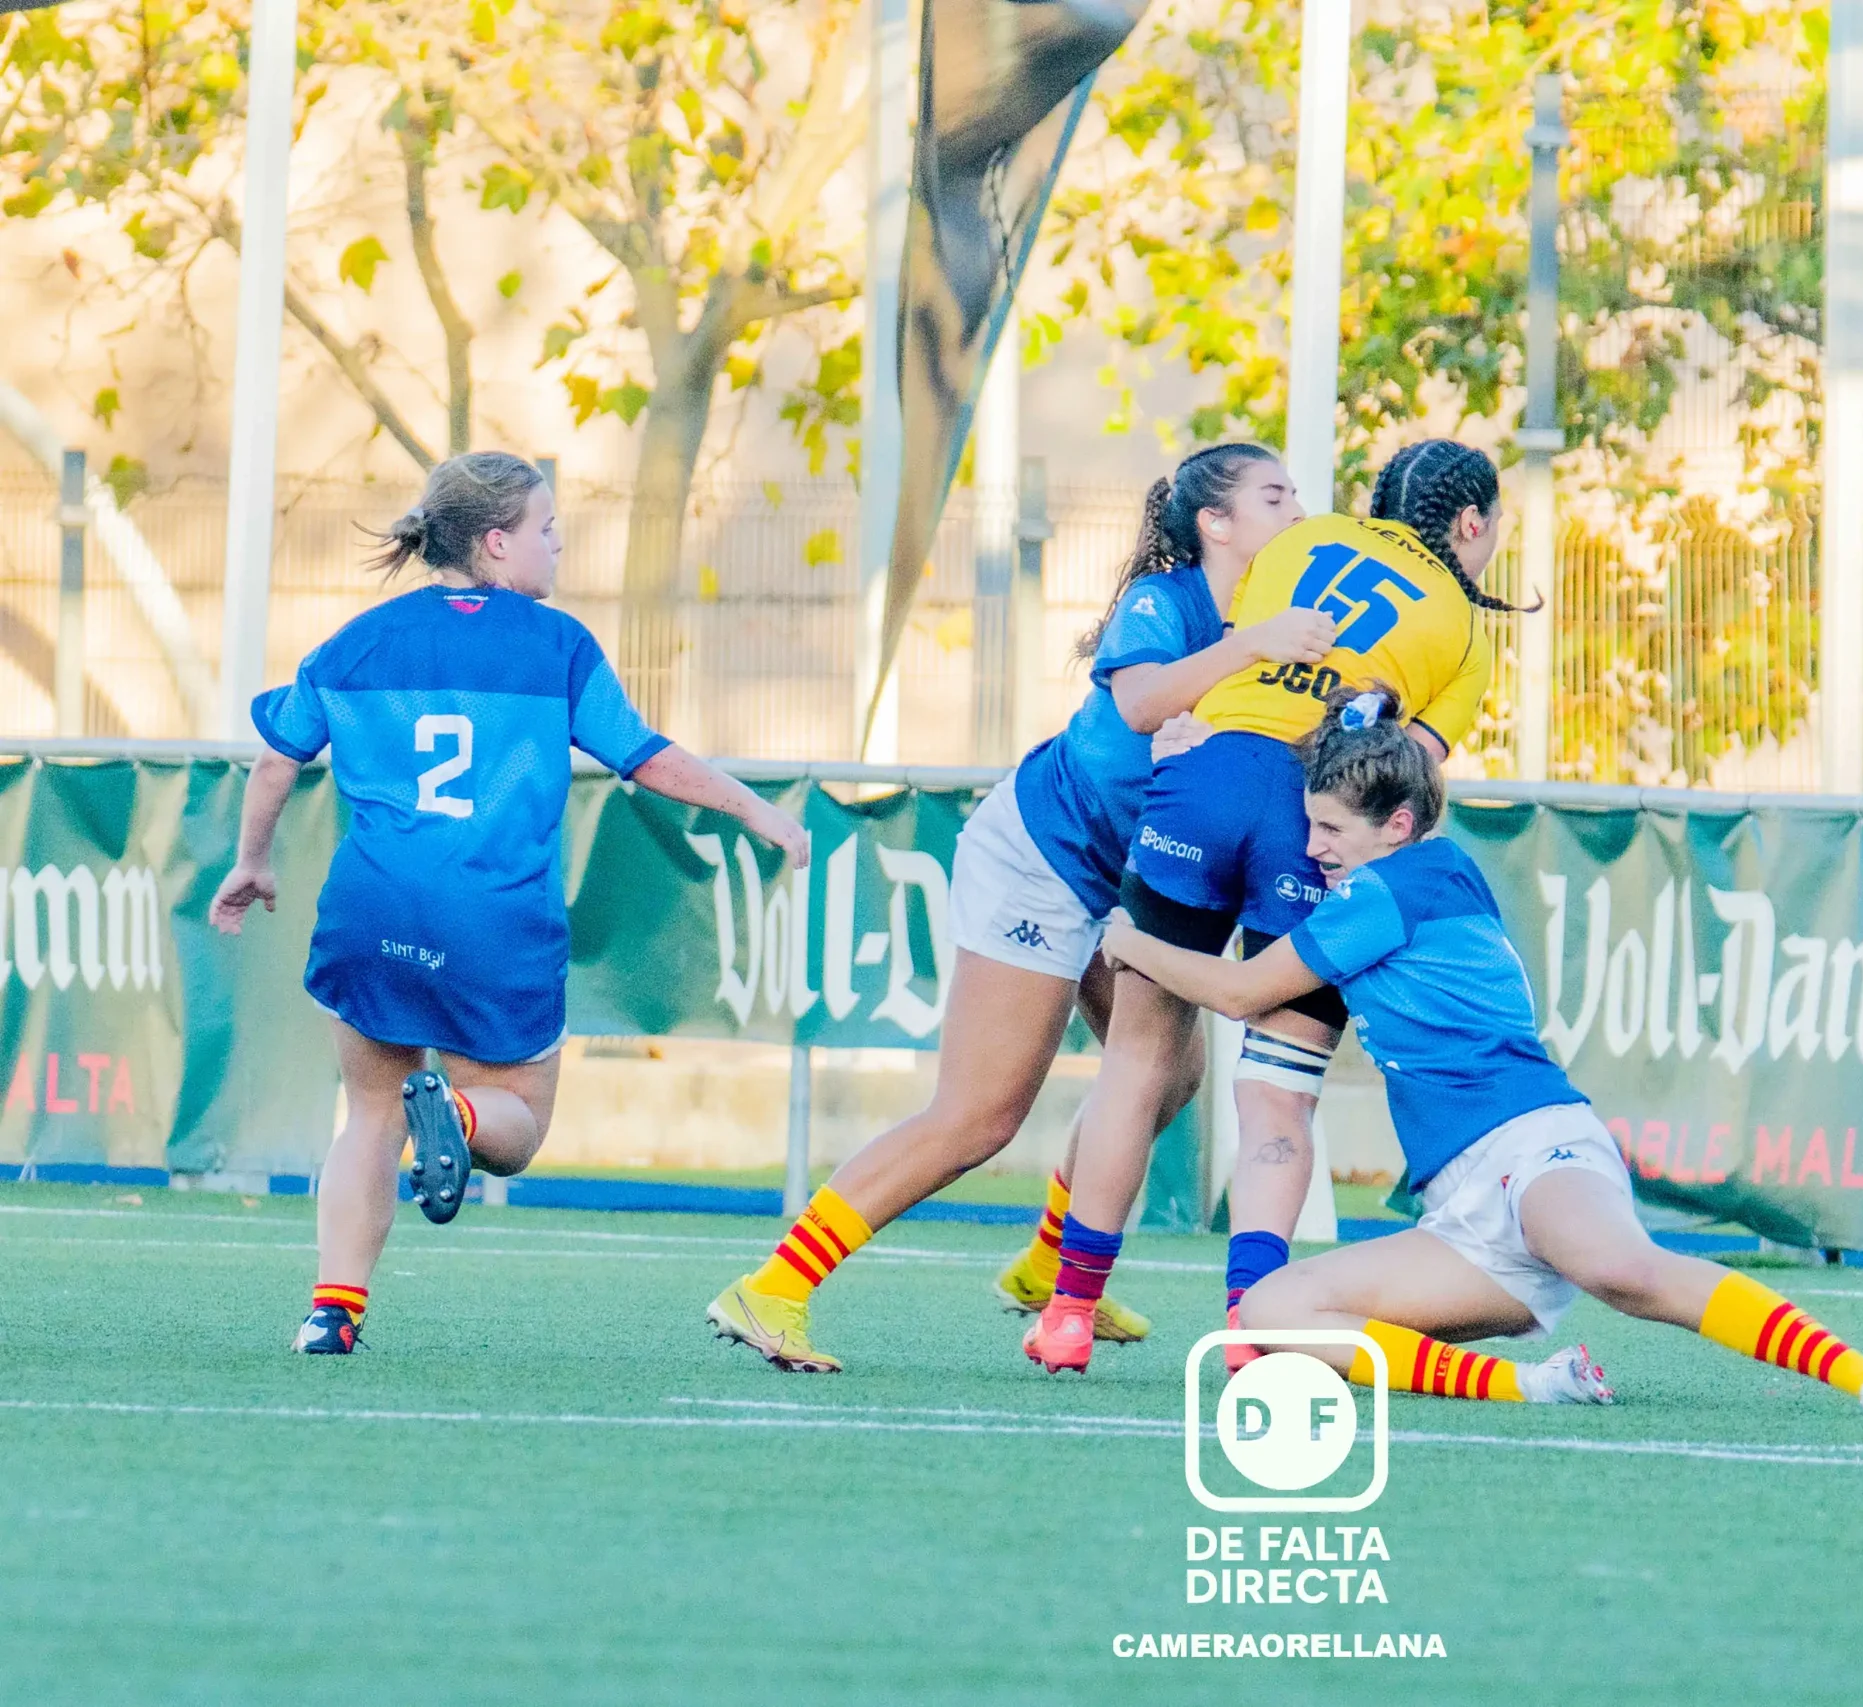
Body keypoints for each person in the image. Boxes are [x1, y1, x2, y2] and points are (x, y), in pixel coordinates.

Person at [1094, 686, 1863, 1416]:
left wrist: (1133, 939)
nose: (1312, 848)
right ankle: (1533, 1384)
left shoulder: (1388, 889)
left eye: (1327, 829)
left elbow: (1243, 994)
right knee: (1271, 1314)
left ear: (1396, 824)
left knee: (1622, 1269)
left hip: (1535, 1147)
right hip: (1459, 1209)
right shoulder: (1424, 868)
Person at [705, 444, 1331, 1371]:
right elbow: (1142, 702)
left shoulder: (1287, 625)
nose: (1299, 508)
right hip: (1043, 859)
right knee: (976, 1118)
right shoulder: (1167, 600)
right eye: (1275, 495)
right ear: (1216, 523)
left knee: (1169, 1075)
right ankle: (772, 1287)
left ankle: (1051, 1266)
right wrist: (1249, 647)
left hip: (1124, 881)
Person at [211, 452, 808, 1354]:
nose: (558, 545)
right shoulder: (556, 645)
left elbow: (274, 759)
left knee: (370, 1112)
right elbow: (645, 757)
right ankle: (454, 1116)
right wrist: (757, 808)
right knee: (517, 1125)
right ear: (496, 544)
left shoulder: (357, 642)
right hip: (493, 915)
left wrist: (252, 861)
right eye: (547, 528)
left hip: (373, 910)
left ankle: (331, 1311)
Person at [1023, 440, 1515, 1378]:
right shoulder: (1464, 631)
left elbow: (1234, 665)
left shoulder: (1305, 538)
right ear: (1470, 524)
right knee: (1280, 1094)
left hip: (1202, 784)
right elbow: (1390, 778)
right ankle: (1252, 1329)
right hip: (1313, 820)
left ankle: (1070, 1315)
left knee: (1136, 1057)